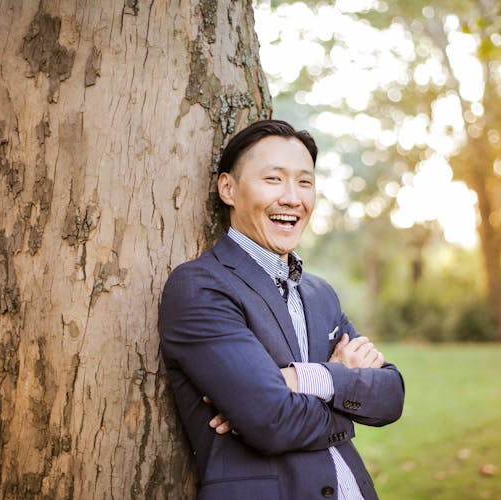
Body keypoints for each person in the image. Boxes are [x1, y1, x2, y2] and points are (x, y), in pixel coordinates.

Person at [159, 119, 404, 499]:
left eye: (305, 182)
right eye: (273, 179)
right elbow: (270, 420)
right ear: (228, 188)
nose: (293, 198)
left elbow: (391, 395)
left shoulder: (321, 293)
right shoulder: (200, 287)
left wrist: (300, 380)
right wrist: (343, 383)